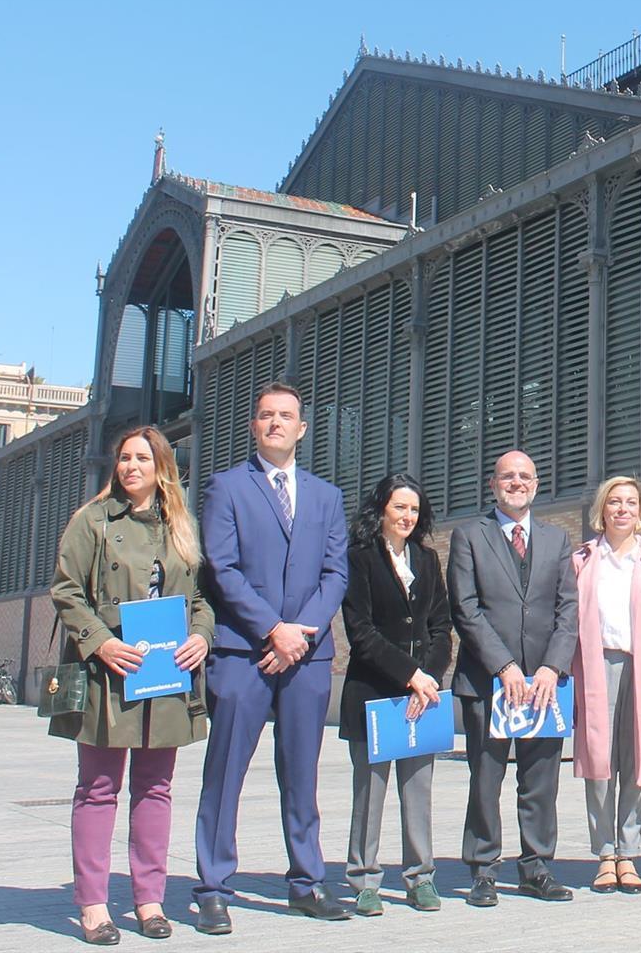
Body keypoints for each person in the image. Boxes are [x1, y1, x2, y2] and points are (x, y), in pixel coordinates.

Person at [193, 381, 353, 934]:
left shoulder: (327, 496)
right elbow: (222, 568)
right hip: (244, 652)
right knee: (225, 771)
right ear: (253, 426)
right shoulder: (226, 488)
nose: (276, 424)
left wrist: (300, 634)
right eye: (266, 416)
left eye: (287, 416)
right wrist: (272, 629)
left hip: (307, 658)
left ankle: (306, 882)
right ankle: (213, 885)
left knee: (301, 774)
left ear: (302, 428)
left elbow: (336, 574)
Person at [50, 425, 215, 945]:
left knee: (156, 788)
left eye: (143, 458)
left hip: (166, 674)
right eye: (124, 458)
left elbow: (202, 599)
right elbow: (66, 591)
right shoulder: (92, 521)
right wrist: (100, 641)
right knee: (98, 789)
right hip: (110, 674)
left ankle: (149, 899)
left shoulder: (181, 526)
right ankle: (94, 905)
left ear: (162, 466)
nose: (131, 466)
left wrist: (202, 637)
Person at [446, 449, 578, 908]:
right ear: (492, 483)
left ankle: (537, 867)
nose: (516, 483)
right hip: (487, 682)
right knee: (485, 777)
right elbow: (465, 609)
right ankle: (483, 869)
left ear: (536, 485)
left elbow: (568, 609)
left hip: (543, 685)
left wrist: (551, 667)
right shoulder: (468, 536)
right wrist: (504, 667)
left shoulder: (557, 539)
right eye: (507, 476)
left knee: (541, 779)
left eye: (525, 476)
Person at [338, 472, 452, 917]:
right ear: (381, 509)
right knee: (370, 791)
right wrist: (410, 674)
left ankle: (420, 877)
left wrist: (429, 675)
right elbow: (360, 632)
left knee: (418, 790)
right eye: (399, 507)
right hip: (374, 693)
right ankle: (364, 879)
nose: (407, 516)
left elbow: (441, 625)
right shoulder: (360, 559)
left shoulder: (426, 559)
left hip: (423, 697)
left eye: (413, 509)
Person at [569, 475, 641, 896]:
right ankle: (605, 854)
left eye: (630, 502)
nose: (622, 509)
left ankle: (629, 852)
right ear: (601, 510)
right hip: (595, 667)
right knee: (599, 761)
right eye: (614, 502)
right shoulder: (583, 560)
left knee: (637, 759)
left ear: (640, 511)